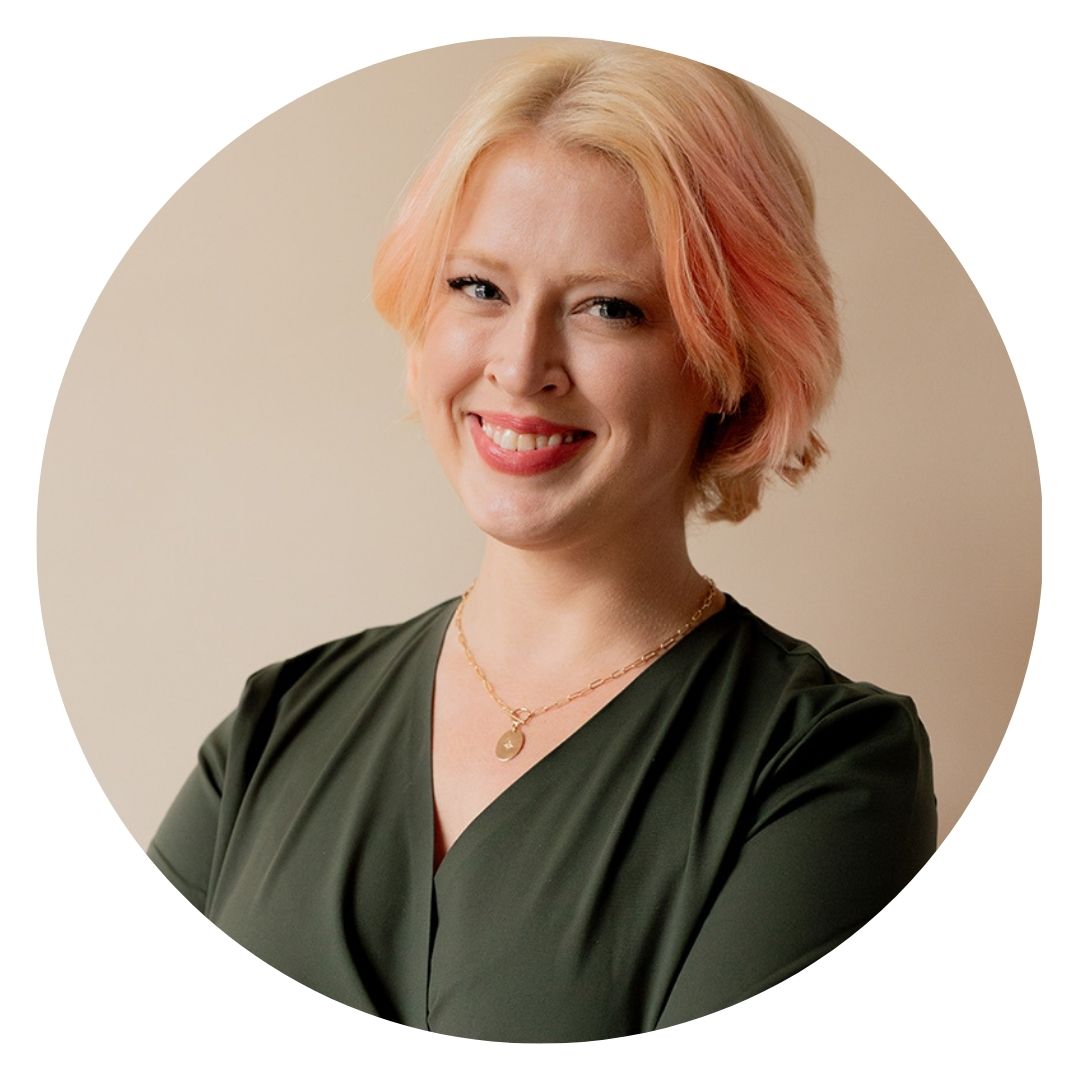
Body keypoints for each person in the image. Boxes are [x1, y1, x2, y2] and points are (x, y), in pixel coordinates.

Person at [148, 41, 937, 1041]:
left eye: (609, 308)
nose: (521, 367)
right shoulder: (277, 726)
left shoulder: (824, 767)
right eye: (479, 287)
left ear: (729, 364)